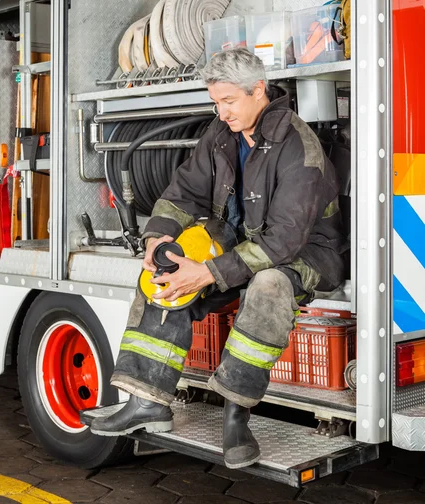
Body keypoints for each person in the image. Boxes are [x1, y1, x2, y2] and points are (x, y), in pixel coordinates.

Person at [89, 48, 345, 469]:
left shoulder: (301, 148)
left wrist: (208, 274)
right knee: (166, 265)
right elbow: (183, 191)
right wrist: (158, 239)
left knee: (269, 285)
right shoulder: (222, 132)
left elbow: (283, 241)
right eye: (216, 102)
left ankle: (235, 414)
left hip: (306, 252)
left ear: (258, 90)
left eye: (228, 101)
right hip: (243, 238)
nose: (220, 111)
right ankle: (147, 400)